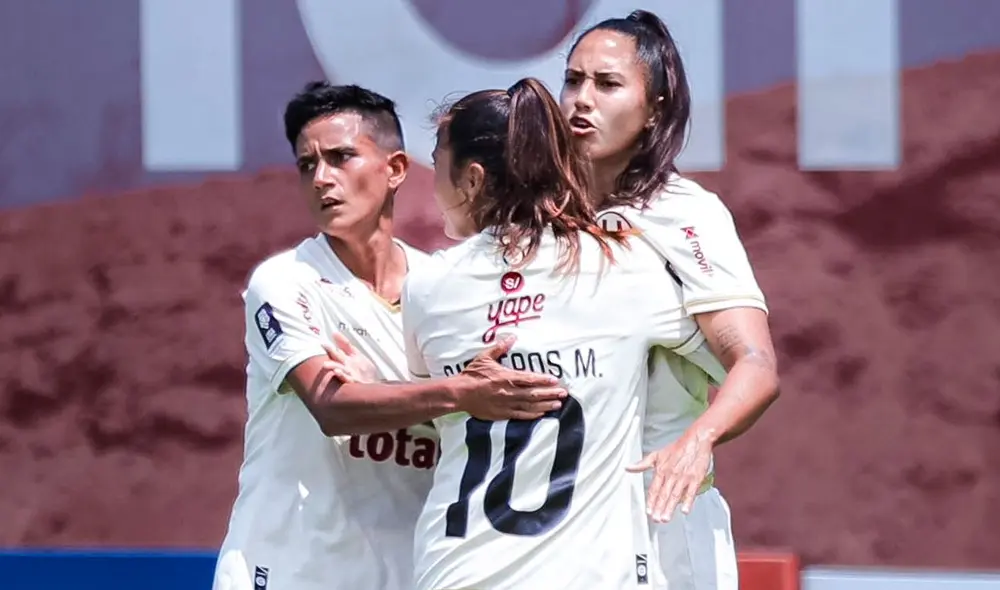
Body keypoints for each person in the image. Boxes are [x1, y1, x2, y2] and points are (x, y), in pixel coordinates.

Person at [212, 82, 568, 590]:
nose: (322, 179)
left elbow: (485, 417)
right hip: (285, 572)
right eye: (307, 165)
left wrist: (382, 389)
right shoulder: (285, 282)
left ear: (395, 169)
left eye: (341, 157)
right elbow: (333, 407)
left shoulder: (440, 289)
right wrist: (454, 394)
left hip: (405, 573)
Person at [402, 77, 722, 590]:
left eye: (437, 164)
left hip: (457, 571)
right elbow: (731, 359)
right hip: (587, 575)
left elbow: (429, 408)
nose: (432, 184)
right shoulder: (623, 266)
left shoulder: (428, 288)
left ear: (473, 179)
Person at [560, 9, 781, 590]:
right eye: (573, 80)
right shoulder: (539, 219)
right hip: (558, 528)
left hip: (659, 518)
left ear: (654, 106)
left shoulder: (686, 213)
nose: (582, 100)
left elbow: (755, 366)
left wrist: (697, 440)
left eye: (607, 84)